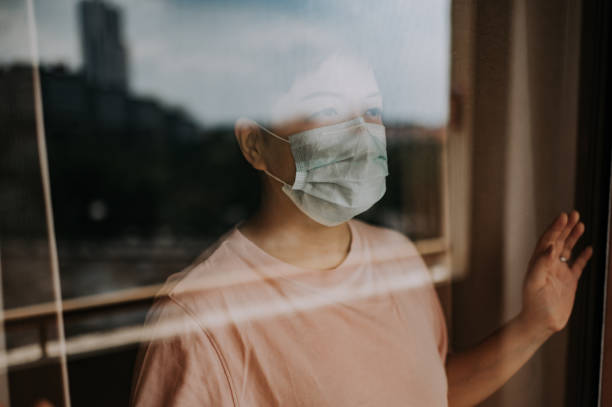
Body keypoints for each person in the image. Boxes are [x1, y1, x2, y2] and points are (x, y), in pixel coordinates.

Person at [130, 53, 593, 407]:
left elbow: (434, 392)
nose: (359, 132)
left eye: (371, 109)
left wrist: (535, 326)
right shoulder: (198, 317)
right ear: (254, 144)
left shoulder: (397, 257)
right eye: (326, 110)